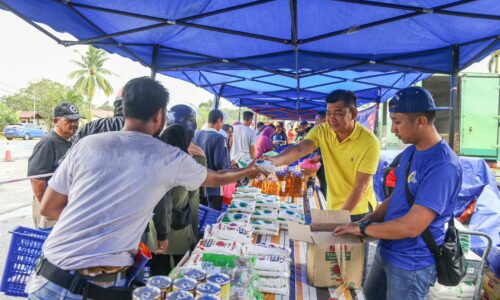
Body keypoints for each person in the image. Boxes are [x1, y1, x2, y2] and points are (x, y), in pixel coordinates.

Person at [28, 77, 262, 300]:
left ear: (125, 109)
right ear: (160, 115)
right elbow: (216, 178)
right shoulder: (166, 156)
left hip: (47, 279)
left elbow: (48, 207)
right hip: (99, 287)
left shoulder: (87, 144)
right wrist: (247, 170)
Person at [334, 86, 462, 300]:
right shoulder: (412, 152)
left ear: (420, 121)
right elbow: (397, 198)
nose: (393, 129)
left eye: (397, 122)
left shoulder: (442, 165)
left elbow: (412, 226)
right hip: (387, 252)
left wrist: (364, 228)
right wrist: (366, 221)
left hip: (411, 264)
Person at [265, 90, 380, 221]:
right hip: (333, 205)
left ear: (353, 113)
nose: (331, 118)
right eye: (328, 113)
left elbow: (361, 187)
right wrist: (274, 161)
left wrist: (339, 219)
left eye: (338, 113)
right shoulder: (322, 130)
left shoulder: (369, 142)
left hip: (359, 210)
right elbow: (300, 149)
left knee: (347, 241)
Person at [156, 124, 207, 275]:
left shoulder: (154, 158)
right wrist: (193, 233)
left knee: (158, 272)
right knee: (180, 273)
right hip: (179, 227)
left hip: (155, 229)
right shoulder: (187, 163)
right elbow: (194, 199)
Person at [27, 102, 80, 228]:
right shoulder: (48, 143)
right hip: (50, 208)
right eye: (69, 120)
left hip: (65, 205)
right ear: (56, 121)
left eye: (77, 120)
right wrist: (48, 209)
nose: (75, 124)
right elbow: (37, 181)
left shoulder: (73, 141)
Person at [194, 109, 231, 210]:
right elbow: (220, 163)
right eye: (222, 122)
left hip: (198, 183)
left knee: (201, 214)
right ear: (219, 120)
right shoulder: (219, 137)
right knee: (214, 215)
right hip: (214, 184)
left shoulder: (196, 134)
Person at [309, 111, 327, 197]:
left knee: (326, 195)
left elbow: (338, 154)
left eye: (316, 120)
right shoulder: (320, 134)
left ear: (324, 121)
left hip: (328, 174)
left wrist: (320, 157)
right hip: (321, 172)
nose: (315, 123)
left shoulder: (333, 135)